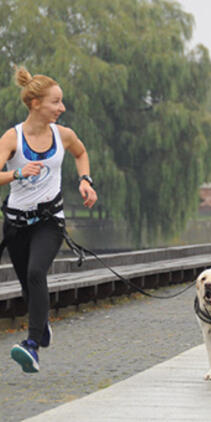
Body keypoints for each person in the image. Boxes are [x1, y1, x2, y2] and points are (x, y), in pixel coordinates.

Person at [1, 67, 97, 373]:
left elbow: (81, 153)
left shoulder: (63, 135)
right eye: (56, 102)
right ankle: (41, 326)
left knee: (35, 272)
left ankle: (31, 345)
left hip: (49, 221)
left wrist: (85, 180)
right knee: (29, 287)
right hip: (16, 224)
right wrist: (16, 172)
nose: (62, 108)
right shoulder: (12, 137)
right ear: (35, 104)